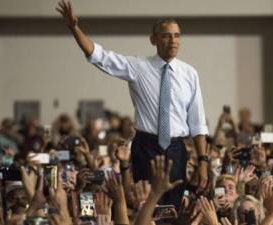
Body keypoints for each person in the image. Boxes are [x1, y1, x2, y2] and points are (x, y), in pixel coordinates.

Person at [56, 0, 209, 208]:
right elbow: (98, 56)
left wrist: (203, 161)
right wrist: (74, 28)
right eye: (166, 35)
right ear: (153, 40)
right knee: (143, 206)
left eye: (177, 35)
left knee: (173, 209)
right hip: (146, 147)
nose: (173, 41)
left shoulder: (189, 74)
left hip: (176, 149)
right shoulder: (138, 67)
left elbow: (197, 123)